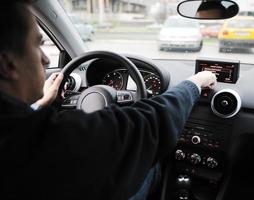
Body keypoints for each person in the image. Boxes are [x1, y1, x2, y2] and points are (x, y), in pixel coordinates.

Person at [0, 0, 217, 200]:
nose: (46, 59)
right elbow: (150, 123)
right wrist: (195, 83)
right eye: (37, 45)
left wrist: (39, 105)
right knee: (148, 164)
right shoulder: (49, 140)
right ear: (7, 64)